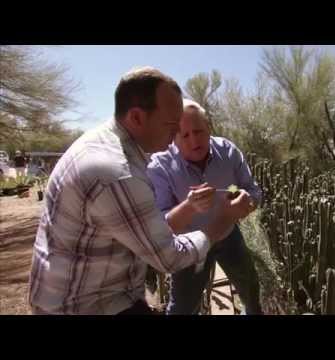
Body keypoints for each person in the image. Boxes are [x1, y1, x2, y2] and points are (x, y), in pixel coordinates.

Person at [28, 67, 244, 315]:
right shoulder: (117, 172)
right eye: (171, 126)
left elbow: (147, 230)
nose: (177, 136)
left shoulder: (105, 143)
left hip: (100, 295)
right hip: (80, 305)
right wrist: (221, 222)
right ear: (137, 118)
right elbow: (168, 257)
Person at [147, 99, 263, 315]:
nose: (194, 141)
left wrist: (247, 202)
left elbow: (253, 191)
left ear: (209, 127)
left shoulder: (228, 152)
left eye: (199, 131)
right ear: (174, 137)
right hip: (190, 246)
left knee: (250, 287)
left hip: (229, 236)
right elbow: (162, 225)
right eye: (185, 135)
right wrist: (189, 207)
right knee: (183, 307)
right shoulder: (159, 166)